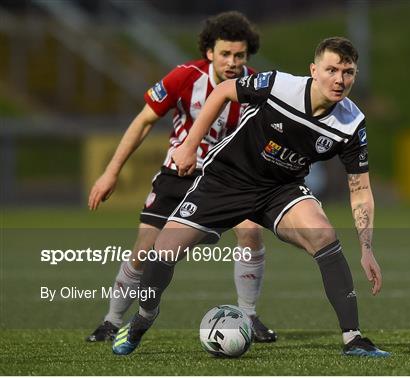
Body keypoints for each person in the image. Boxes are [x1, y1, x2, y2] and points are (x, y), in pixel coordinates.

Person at [112, 36, 390, 357]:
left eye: (348, 72)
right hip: (227, 180)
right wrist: (189, 146)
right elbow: (222, 92)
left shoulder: (352, 123)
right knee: (163, 250)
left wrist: (367, 249)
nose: (339, 80)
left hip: (280, 189)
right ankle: (143, 318)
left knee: (324, 235)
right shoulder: (278, 85)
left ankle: (353, 339)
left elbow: (360, 188)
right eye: (331, 70)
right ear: (314, 70)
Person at [86, 11, 276, 344]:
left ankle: (249, 316)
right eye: (225, 54)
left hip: (227, 179)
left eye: (240, 55)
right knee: (145, 249)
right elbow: (143, 121)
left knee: (250, 233)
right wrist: (110, 172)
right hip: (179, 174)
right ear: (209, 53)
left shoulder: (257, 86)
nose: (233, 62)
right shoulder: (184, 77)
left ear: (248, 55)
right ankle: (112, 321)